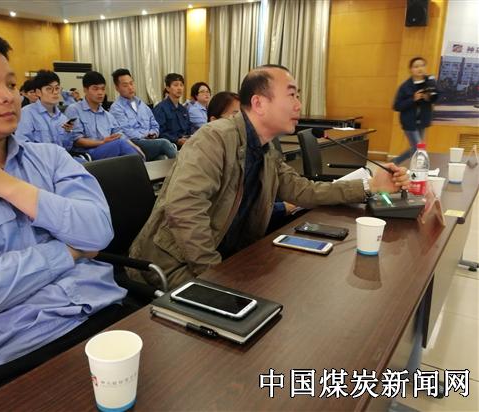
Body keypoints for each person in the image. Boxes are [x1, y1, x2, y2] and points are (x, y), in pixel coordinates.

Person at [0, 23, 136, 388]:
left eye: (11, 84)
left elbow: (99, 231)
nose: (8, 96)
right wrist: (71, 251)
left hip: (106, 312)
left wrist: (6, 186)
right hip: (21, 351)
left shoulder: (51, 157)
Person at [128, 65, 410, 288]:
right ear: (259, 103)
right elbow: (184, 211)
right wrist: (216, 276)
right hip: (173, 265)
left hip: (228, 258)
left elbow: (303, 190)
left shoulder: (266, 148)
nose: (299, 104)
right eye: (292, 95)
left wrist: (370, 185)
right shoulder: (214, 138)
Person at [207, 91, 296, 230]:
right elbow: (238, 208)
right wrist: (282, 208)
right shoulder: (211, 155)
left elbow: (287, 184)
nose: (242, 121)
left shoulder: (255, 147)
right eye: (235, 115)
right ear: (214, 120)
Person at [65, 71, 143, 161]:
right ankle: (141, 165)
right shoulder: (74, 109)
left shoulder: (108, 115)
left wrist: (135, 147)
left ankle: (140, 164)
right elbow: (77, 141)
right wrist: (102, 142)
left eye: (102, 89)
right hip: (87, 154)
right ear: (85, 90)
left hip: (108, 151)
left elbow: (120, 134)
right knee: (120, 145)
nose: (100, 93)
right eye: (95, 89)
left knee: (131, 147)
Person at [110, 68, 177, 160]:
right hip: (133, 143)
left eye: (131, 83)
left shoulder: (142, 104)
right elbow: (125, 132)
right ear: (117, 88)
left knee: (161, 158)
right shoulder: (116, 108)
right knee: (164, 143)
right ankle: (184, 167)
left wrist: (153, 133)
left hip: (149, 142)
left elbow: (154, 123)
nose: (130, 87)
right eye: (125, 85)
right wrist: (144, 135)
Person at [393, 57, 438, 164]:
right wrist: (413, 99)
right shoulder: (405, 86)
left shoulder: (430, 82)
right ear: (410, 69)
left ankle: (394, 162)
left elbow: (437, 96)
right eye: (416, 66)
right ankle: (422, 170)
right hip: (409, 123)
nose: (420, 68)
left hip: (423, 121)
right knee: (419, 148)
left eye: (422, 65)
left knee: (415, 148)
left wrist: (429, 98)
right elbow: (397, 106)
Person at [15, 69, 75, 151]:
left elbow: (67, 148)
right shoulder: (27, 113)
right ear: (38, 92)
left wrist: (68, 132)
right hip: (38, 158)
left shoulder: (62, 118)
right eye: (49, 89)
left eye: (57, 88)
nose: (55, 92)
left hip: (60, 157)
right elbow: (22, 145)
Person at [153, 73, 191, 147]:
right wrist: (177, 140)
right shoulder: (161, 108)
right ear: (168, 88)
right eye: (176, 85)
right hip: (171, 145)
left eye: (181, 85)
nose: (179, 88)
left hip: (186, 143)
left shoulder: (183, 109)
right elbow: (160, 132)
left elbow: (188, 128)